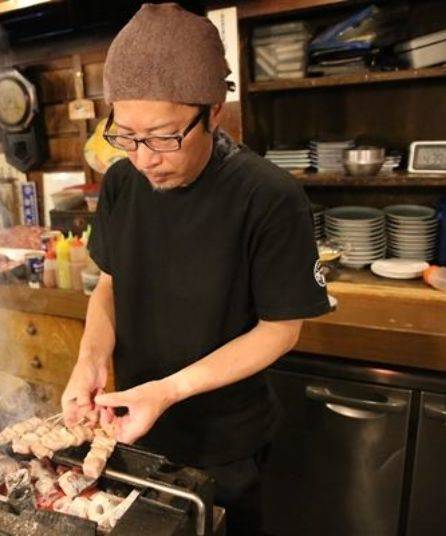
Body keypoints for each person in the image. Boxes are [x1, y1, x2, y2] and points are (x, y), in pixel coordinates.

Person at [61, 4, 331, 534]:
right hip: (132, 430)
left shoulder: (268, 197)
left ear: (213, 111)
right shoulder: (121, 184)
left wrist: (168, 390)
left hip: (226, 444)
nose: (144, 158)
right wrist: (89, 360)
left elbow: (281, 329)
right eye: (126, 136)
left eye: (164, 136)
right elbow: (109, 287)